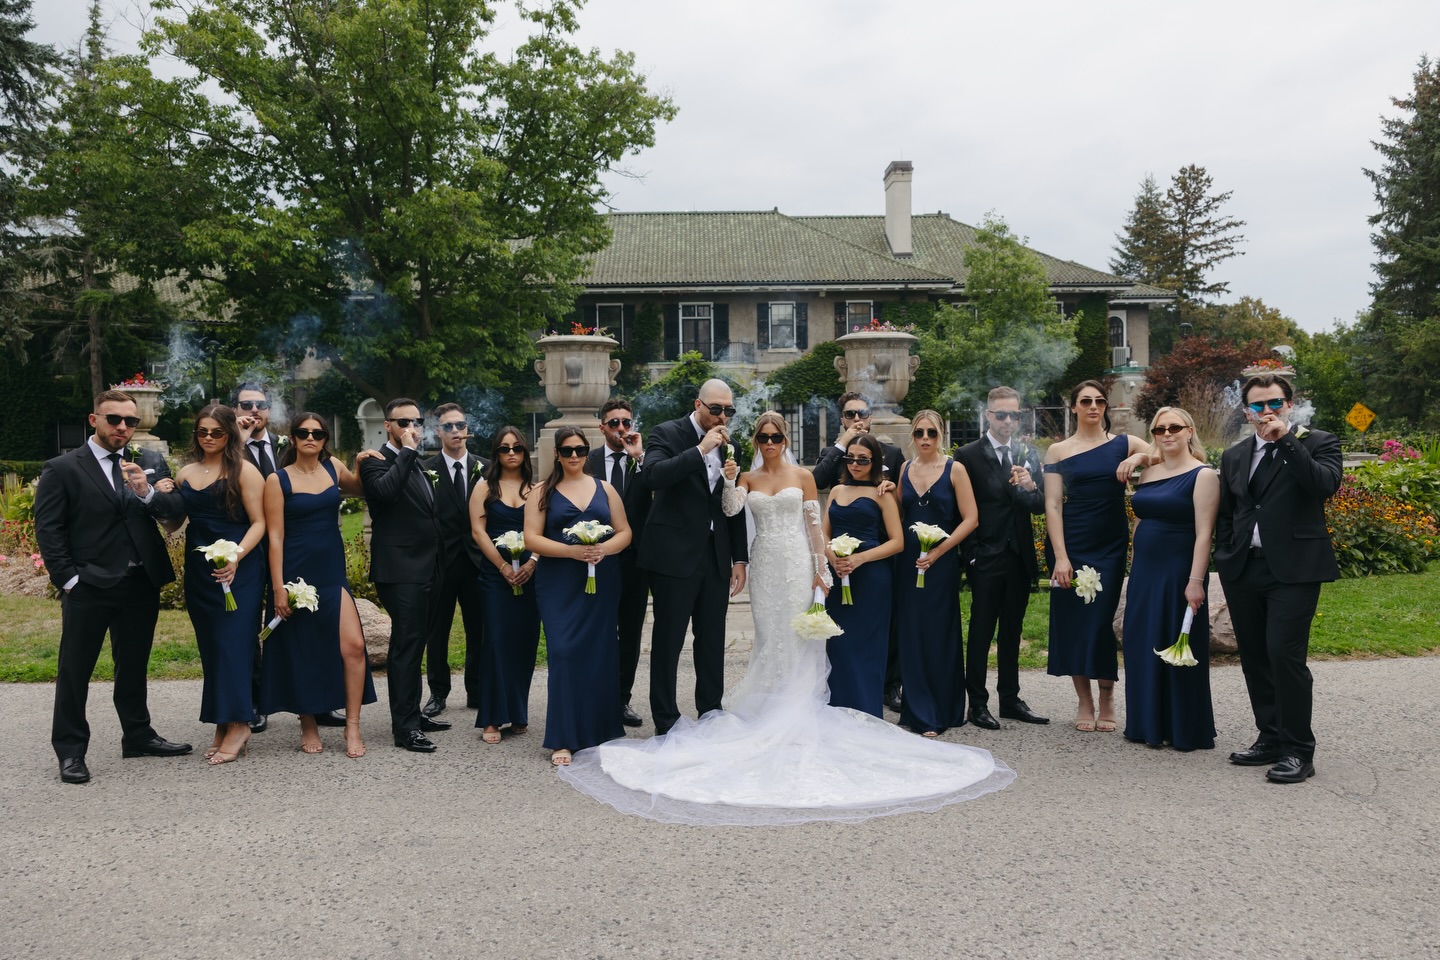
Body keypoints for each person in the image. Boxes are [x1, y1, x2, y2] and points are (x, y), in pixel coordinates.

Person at [556, 413, 1014, 826]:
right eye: (764, 437)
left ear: (786, 440)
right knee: (769, 636)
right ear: (757, 441)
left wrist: (821, 570)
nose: (771, 443)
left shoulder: (804, 477)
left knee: (798, 636)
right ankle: (769, 707)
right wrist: (731, 482)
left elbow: (815, 528)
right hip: (765, 566)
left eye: (777, 437)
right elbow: (732, 512)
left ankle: (799, 708)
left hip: (796, 563)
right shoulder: (747, 475)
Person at [34, 389, 192, 784]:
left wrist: (146, 491)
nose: (123, 427)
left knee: (134, 665)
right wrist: (70, 580)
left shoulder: (146, 463)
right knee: (75, 671)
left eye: (130, 421)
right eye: (114, 419)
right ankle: (70, 751)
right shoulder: (63, 468)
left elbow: (174, 512)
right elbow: (49, 530)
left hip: (140, 583)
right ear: (94, 420)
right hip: (89, 585)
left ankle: (137, 736)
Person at [1214, 374, 1342, 783]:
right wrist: (1225, 554)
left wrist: (1286, 439)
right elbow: (1228, 511)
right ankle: (1270, 737)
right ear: (1246, 411)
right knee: (1254, 656)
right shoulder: (1235, 455)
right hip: (1243, 568)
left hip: (1294, 569)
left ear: (1289, 404)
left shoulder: (1317, 442)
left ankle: (1299, 750)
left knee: (1284, 655)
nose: (1266, 411)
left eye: (1274, 403)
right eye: (1257, 405)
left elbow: (1323, 486)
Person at [259, 413, 378, 759]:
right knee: (302, 648)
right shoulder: (277, 479)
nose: (310, 437)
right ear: (293, 438)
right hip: (295, 572)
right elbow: (275, 536)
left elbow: (360, 489)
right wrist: (278, 587)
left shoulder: (333, 467)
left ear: (325, 438)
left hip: (331, 571)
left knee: (354, 646)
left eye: (317, 433)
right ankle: (308, 722)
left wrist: (359, 464)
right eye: (303, 432)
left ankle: (352, 725)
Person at [636, 378, 749, 736]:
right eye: (716, 409)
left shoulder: (732, 446)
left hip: (715, 555)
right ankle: (666, 719)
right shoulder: (667, 433)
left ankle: (711, 711)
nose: (722, 417)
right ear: (698, 404)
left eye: (728, 411)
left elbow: (732, 504)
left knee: (712, 639)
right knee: (668, 640)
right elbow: (653, 476)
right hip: (673, 555)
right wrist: (701, 450)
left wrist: (740, 558)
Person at [1043, 380, 1151, 733]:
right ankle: (1084, 699)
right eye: (1086, 401)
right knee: (1074, 621)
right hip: (1072, 542)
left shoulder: (1124, 443)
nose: (1094, 406)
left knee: (1102, 622)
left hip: (1110, 544)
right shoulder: (1058, 451)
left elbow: (1170, 451)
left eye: (1100, 401)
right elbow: (1053, 505)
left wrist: (1137, 457)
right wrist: (1061, 557)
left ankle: (1107, 696)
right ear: (1074, 406)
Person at [524, 426, 632, 766]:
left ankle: (601, 730)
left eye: (580, 450)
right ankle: (563, 737)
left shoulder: (605, 488)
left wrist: (603, 549)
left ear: (588, 453)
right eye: (568, 450)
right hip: (559, 582)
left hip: (601, 580)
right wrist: (571, 552)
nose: (574, 456)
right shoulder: (542, 491)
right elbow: (531, 538)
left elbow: (625, 531)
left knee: (600, 653)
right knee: (564, 652)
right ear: (557, 454)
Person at [1121, 407, 1219, 751]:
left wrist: (1196, 581)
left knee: (1176, 646)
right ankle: (1146, 724)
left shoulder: (1203, 475)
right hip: (1144, 574)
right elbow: (1139, 522)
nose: (1166, 434)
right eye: (1159, 429)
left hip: (1179, 573)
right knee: (1141, 644)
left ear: (1189, 431)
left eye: (1174, 427)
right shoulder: (1149, 473)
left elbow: (1205, 534)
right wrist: (1134, 569)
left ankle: (1182, 728)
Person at [175, 405, 268, 764]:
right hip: (201, 572)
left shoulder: (244, 470)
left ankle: (240, 724)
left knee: (234, 645)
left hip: (239, 569)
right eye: (202, 432)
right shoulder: (185, 473)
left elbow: (259, 523)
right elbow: (173, 523)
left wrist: (236, 557)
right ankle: (222, 721)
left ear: (229, 434)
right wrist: (149, 492)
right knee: (212, 648)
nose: (209, 438)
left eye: (216, 432)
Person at [358, 398, 450, 752]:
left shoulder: (418, 464)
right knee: (406, 646)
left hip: (430, 566)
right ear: (388, 425)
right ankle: (405, 728)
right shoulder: (374, 461)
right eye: (403, 422)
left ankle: (413, 713)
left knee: (418, 642)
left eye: (416, 421)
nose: (412, 427)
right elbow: (384, 492)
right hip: (400, 570)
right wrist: (408, 451)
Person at [955, 387, 1049, 729]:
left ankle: (1010, 699)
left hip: (1019, 556)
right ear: (988, 415)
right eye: (1001, 414)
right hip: (985, 557)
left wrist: (1030, 487)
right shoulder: (967, 455)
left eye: (1014, 414)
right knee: (981, 632)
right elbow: (959, 509)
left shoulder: (1027, 453)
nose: (1008, 420)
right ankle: (977, 704)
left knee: (1012, 630)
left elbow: (1038, 506)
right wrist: (972, 555)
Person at [812, 391, 905, 711]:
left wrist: (860, 558)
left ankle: (866, 708)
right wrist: (831, 557)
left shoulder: (882, 494)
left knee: (868, 643)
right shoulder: (837, 490)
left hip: (872, 577)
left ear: (874, 461)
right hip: (839, 575)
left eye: (863, 460)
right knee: (839, 643)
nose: (855, 464)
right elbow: (823, 532)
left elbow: (897, 541)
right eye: (850, 459)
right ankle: (838, 708)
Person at [894, 409, 979, 736]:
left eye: (931, 432)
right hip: (908, 563)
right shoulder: (905, 469)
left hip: (941, 564)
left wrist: (941, 551)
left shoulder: (954, 469)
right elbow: (898, 514)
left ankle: (943, 708)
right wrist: (884, 491)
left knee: (939, 632)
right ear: (913, 437)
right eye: (919, 433)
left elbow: (971, 518)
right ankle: (917, 709)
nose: (925, 438)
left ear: (941, 434)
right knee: (912, 632)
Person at [468, 427, 540, 745]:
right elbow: (478, 531)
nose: (511, 453)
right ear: (495, 453)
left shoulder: (536, 489)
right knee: (496, 640)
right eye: (504, 448)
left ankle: (518, 712)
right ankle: (492, 717)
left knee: (525, 642)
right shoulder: (484, 487)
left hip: (530, 575)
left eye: (517, 448)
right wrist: (501, 566)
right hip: (494, 576)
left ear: (525, 452)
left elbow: (544, 530)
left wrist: (532, 562)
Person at [585, 398, 651, 728]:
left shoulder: (644, 459)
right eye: (614, 423)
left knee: (630, 632)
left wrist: (640, 457)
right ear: (602, 428)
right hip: (595, 559)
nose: (622, 428)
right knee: (597, 630)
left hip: (636, 561)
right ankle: (595, 697)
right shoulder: (588, 461)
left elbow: (660, 491)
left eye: (626, 422)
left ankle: (621, 698)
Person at [420, 402, 488, 718]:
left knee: (479, 629)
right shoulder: (425, 469)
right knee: (437, 631)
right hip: (440, 562)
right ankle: (438, 693)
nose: (456, 431)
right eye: (448, 426)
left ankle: (477, 690)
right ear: (438, 432)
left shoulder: (486, 468)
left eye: (460, 425)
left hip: (477, 562)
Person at [234, 382, 281, 734]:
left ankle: (310, 700)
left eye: (260, 404)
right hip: (246, 545)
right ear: (235, 411)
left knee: (295, 620)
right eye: (246, 404)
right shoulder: (227, 447)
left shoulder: (288, 445)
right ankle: (253, 700)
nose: (254, 410)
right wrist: (237, 441)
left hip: (287, 545)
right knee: (248, 625)